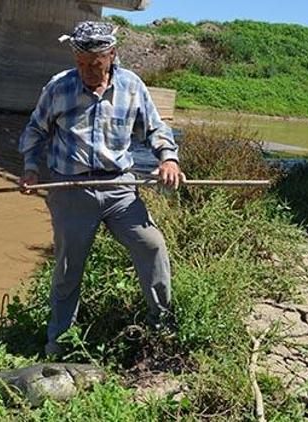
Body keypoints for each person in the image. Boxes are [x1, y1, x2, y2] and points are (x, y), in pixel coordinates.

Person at [17, 21, 183, 356]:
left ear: (111, 55)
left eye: (95, 64)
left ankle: (163, 326)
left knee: (151, 245)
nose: (87, 71)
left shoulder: (132, 86)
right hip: (71, 188)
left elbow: (155, 128)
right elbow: (35, 131)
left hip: (120, 188)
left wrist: (168, 159)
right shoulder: (59, 87)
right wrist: (31, 170)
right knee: (68, 267)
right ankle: (59, 343)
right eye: (81, 63)